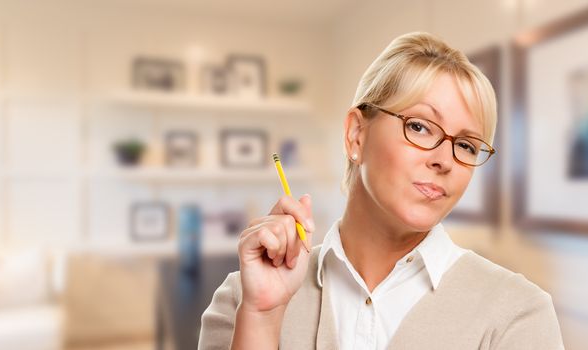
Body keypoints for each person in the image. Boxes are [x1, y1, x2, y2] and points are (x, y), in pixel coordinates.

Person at [198, 32, 564, 349]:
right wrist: (261, 318)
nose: (445, 160)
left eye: (467, 145)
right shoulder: (242, 298)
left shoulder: (520, 315)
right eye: (420, 127)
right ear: (356, 134)